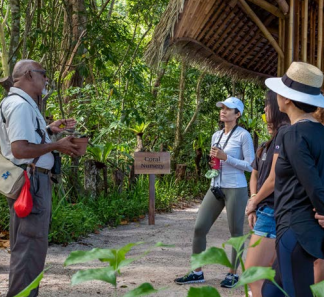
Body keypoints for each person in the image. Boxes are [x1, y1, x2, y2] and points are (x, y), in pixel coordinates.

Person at [0, 59, 80, 297]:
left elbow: (26, 139)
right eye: (43, 74)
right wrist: (58, 145)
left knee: (25, 244)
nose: (46, 79)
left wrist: (47, 130)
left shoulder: (19, 103)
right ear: (28, 74)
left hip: (28, 180)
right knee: (30, 247)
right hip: (31, 183)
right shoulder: (21, 106)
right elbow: (20, 150)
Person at [174, 97, 255, 287]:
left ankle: (233, 274)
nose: (223, 111)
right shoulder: (216, 135)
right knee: (199, 227)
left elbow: (251, 166)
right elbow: (217, 161)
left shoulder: (243, 135)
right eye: (222, 108)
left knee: (235, 232)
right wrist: (214, 162)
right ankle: (197, 272)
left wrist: (226, 157)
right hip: (215, 186)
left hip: (236, 187)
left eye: (229, 109)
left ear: (238, 114)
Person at [261, 61, 324, 297]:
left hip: (295, 228)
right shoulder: (319, 133)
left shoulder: (292, 134)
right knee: (272, 291)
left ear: (286, 99)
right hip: (304, 230)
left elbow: (312, 183)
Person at [244, 90, 289, 297]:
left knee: (254, 275)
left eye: (267, 104)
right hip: (269, 208)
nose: (264, 109)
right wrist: (255, 201)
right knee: (270, 274)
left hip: (272, 210)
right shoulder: (269, 142)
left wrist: (253, 203)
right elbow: (258, 176)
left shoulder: (284, 133)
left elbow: (273, 179)